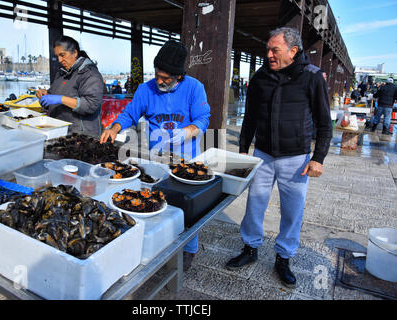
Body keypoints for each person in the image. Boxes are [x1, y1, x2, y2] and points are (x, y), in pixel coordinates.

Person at [225, 27, 332, 288]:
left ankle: (283, 258)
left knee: (292, 211)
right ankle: (250, 248)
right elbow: (249, 117)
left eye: (275, 50)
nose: (269, 54)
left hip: (296, 159)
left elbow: (324, 123)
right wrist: (242, 150)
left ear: (293, 51)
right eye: (268, 49)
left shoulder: (312, 77)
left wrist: (318, 158)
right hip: (263, 153)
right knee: (255, 204)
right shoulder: (261, 76)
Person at [100, 40, 211, 271]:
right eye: (157, 75)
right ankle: (161, 243)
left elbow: (202, 119)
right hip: (156, 160)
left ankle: (189, 249)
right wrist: (114, 128)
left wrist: (186, 132)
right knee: (157, 202)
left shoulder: (194, 88)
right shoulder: (145, 89)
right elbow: (129, 114)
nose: (159, 81)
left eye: (166, 78)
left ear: (179, 76)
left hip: (187, 160)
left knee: (188, 207)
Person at [35, 35, 105, 137]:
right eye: (57, 56)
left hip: (82, 135)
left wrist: (61, 99)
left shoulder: (90, 74)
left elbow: (90, 105)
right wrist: (45, 95)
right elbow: (53, 97)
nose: (59, 60)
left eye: (62, 55)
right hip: (60, 131)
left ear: (75, 53)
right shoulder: (61, 74)